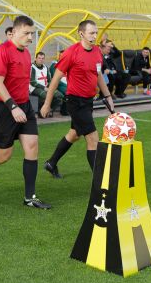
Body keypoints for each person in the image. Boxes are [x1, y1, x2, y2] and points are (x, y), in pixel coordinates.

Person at [0, 15, 51, 209]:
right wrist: (13, 107)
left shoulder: (27, 53)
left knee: (32, 145)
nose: (30, 37)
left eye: (32, 33)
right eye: (26, 33)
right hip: (4, 108)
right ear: (14, 32)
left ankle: (30, 197)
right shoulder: (2, 51)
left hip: (24, 106)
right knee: (2, 156)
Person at [41, 20, 114, 179]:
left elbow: (98, 75)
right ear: (81, 33)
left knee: (74, 135)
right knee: (93, 139)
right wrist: (47, 103)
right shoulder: (70, 53)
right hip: (75, 102)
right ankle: (102, 182)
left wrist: (108, 96)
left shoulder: (96, 52)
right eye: (91, 33)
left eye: (96, 32)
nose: (95, 36)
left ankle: (51, 163)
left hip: (88, 101)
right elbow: (54, 80)